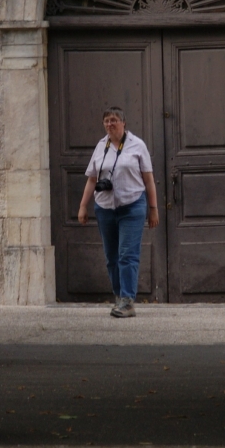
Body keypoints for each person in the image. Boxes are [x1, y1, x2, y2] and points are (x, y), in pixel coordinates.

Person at [78, 107, 159, 318]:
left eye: (113, 120)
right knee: (111, 257)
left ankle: (128, 301)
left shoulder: (137, 145)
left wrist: (153, 208)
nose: (109, 124)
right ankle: (119, 296)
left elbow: (149, 180)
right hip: (105, 208)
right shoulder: (100, 146)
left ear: (123, 123)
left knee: (127, 255)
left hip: (132, 206)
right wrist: (82, 206)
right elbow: (92, 179)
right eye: (106, 121)